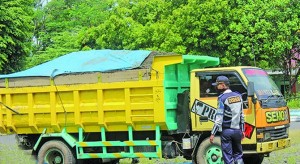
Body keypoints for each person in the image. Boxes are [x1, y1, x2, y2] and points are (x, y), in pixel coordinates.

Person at [209, 76, 245, 164]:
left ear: (223, 85)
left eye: (217, 85)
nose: (216, 87)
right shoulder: (238, 96)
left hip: (227, 132)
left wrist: (213, 133)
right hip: (237, 131)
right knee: (238, 155)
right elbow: (242, 115)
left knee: (228, 157)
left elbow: (219, 118)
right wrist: (243, 130)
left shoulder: (222, 98)